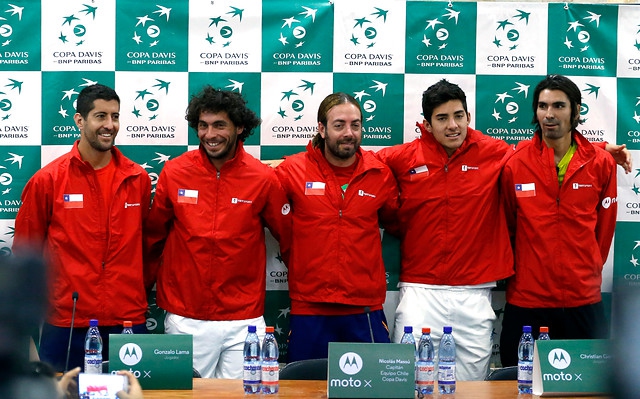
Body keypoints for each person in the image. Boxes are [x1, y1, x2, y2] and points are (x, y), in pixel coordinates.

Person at [143, 86, 291, 379]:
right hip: (186, 317)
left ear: (239, 127)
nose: (210, 134)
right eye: (203, 125)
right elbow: (153, 238)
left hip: (243, 318)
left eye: (219, 125)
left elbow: (290, 239)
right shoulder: (174, 172)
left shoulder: (263, 178)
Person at [376, 80, 514, 381]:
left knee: (471, 387)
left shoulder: (495, 152)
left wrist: (601, 149)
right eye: (442, 118)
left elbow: (541, 157)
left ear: (468, 116)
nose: (453, 125)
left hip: (475, 292)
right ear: (426, 124)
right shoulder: (403, 157)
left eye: (459, 115)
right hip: (420, 291)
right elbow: (351, 164)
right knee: (410, 383)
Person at [13, 84, 151, 372]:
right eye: (101, 116)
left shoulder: (137, 178)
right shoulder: (48, 180)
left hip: (127, 319)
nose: (110, 125)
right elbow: (26, 253)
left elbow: (147, 245)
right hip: (67, 321)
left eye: (115, 116)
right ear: (79, 120)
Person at [499, 74, 617, 366]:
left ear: (576, 111)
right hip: (528, 298)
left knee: (588, 388)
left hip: (583, 298)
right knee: (517, 384)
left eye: (559, 106)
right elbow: (509, 226)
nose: (549, 114)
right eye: (542, 106)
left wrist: (585, 267)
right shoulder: (516, 162)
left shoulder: (601, 163)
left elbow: (604, 230)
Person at [274, 92, 399, 362]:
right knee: (305, 389)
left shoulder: (380, 173)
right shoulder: (291, 170)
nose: (349, 133)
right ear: (321, 128)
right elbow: (274, 218)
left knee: (372, 391)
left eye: (355, 125)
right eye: (339, 125)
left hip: (363, 306)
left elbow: (395, 220)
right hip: (310, 305)